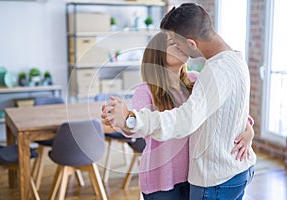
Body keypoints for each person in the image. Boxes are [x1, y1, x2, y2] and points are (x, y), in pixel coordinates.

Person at [102, 3, 256, 200]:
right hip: (162, 180)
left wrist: (247, 127)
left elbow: (223, 108)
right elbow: (136, 127)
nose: (177, 46)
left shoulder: (197, 79)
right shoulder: (146, 89)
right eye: (171, 44)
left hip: (191, 175)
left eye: (177, 42)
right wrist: (126, 119)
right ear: (157, 55)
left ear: (191, 43)